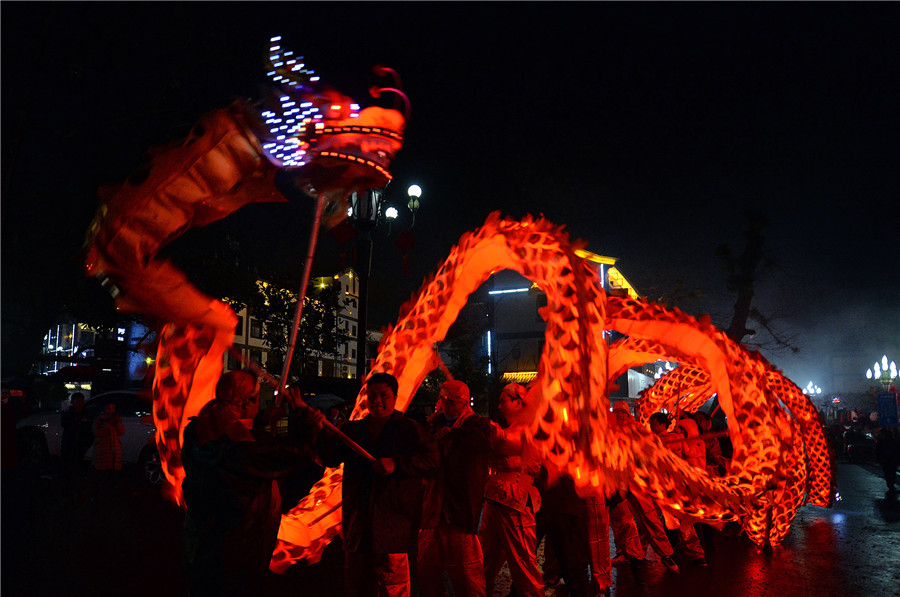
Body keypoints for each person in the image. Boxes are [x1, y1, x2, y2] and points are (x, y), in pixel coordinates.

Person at [181, 370, 324, 597]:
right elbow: (290, 455)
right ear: (245, 402)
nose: (259, 405)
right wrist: (307, 426)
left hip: (203, 544)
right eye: (257, 401)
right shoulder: (238, 451)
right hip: (235, 550)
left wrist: (261, 420)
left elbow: (239, 443)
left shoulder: (201, 429)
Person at [319, 371, 439, 597]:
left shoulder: (409, 430)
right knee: (357, 588)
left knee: (393, 589)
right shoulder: (353, 431)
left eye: (383, 395)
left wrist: (398, 464)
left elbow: (432, 461)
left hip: (394, 529)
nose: (377, 401)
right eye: (372, 395)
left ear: (394, 397)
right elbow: (328, 456)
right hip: (359, 528)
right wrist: (315, 431)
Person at [418, 380, 493, 597]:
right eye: (444, 400)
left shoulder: (477, 426)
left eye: (453, 402)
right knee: (426, 573)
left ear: (463, 403)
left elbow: (483, 444)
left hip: (460, 513)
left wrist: (453, 434)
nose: (447, 405)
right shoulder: (432, 424)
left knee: (468, 578)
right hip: (432, 512)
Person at [479, 382, 544, 597]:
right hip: (495, 500)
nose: (499, 406)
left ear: (518, 402)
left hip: (515, 501)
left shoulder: (529, 431)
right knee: (484, 560)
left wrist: (493, 433)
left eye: (503, 401)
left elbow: (509, 444)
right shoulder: (504, 431)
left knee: (523, 563)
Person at [609, 401, 680, 575]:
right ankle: (628, 553)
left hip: (637, 479)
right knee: (620, 520)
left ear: (627, 413)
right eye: (615, 411)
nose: (618, 414)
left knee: (649, 517)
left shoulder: (638, 429)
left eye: (621, 411)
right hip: (616, 481)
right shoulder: (608, 431)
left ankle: (666, 553)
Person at [61, 392, 93, 480]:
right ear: (73, 402)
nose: (80, 403)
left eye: (82, 401)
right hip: (69, 442)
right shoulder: (68, 413)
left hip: (81, 443)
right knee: (68, 464)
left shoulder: (87, 413)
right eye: (78, 401)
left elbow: (89, 429)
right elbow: (64, 424)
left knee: (78, 463)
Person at [91, 401, 125, 472]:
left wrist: (117, 423)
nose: (111, 410)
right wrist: (108, 423)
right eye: (108, 408)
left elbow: (121, 432)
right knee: (103, 472)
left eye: (113, 408)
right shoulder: (99, 420)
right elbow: (97, 433)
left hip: (115, 450)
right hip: (102, 450)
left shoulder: (117, 419)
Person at [875, 427, 900, 495]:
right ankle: (890, 485)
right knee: (891, 473)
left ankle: (890, 485)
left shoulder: (884, 441)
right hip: (889, 459)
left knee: (889, 473)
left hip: (888, 460)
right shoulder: (892, 441)